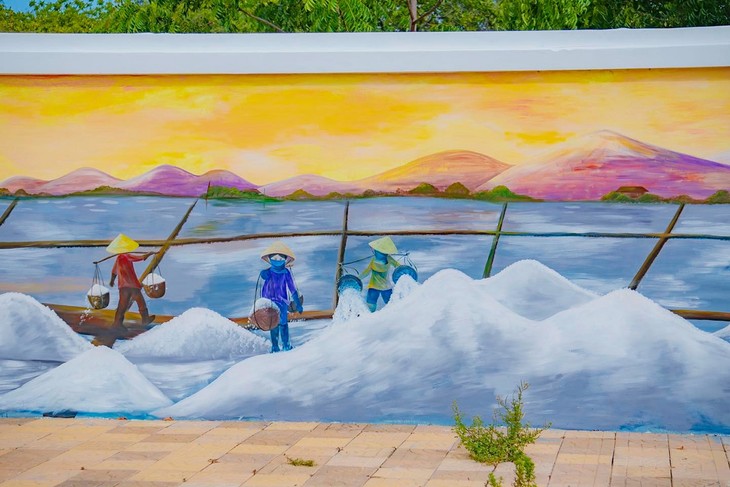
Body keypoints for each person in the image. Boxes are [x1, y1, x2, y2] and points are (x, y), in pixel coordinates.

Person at [260, 241, 303, 353]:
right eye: (274, 258)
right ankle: (275, 347)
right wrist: (263, 274)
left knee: (283, 323)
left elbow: (292, 289)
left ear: (285, 260)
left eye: (280, 258)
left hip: (282, 302)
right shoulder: (268, 272)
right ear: (270, 259)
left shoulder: (286, 273)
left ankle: (286, 345)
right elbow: (263, 277)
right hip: (269, 302)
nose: (277, 260)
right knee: (273, 324)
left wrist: (298, 304)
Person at [107, 233, 156, 330]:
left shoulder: (119, 258)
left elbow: (114, 271)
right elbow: (138, 258)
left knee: (122, 305)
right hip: (132, 285)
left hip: (123, 286)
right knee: (140, 302)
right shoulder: (126, 256)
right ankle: (145, 319)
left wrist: (112, 280)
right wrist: (148, 254)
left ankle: (117, 323)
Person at [360, 236, 399, 312]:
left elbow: (399, 267)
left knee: (392, 306)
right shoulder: (375, 260)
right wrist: (358, 278)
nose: (374, 251)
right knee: (370, 307)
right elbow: (366, 272)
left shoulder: (389, 259)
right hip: (375, 287)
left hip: (385, 287)